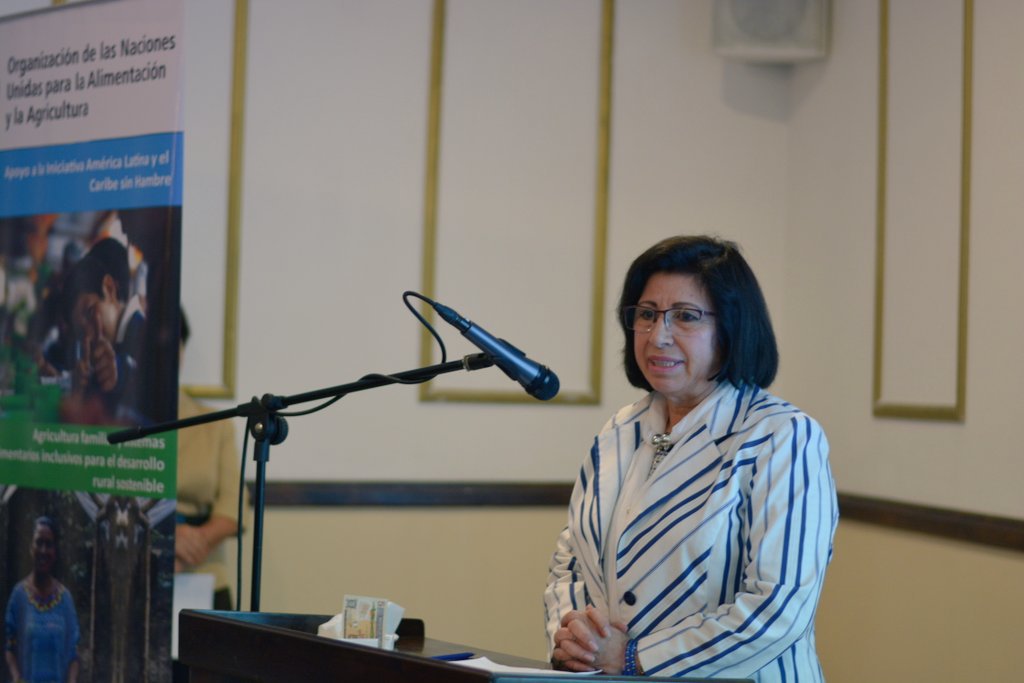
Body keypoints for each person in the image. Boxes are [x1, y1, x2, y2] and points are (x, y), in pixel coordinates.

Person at [544, 235, 837, 681]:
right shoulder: (619, 431)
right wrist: (575, 638)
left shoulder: (782, 435)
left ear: (733, 328)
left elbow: (778, 605)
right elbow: (569, 562)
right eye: (646, 315)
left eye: (685, 316)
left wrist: (635, 658)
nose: (658, 335)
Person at [174, 310, 247, 610]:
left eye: (173, 344)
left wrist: (192, 543)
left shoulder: (215, 423)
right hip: (137, 570)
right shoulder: (112, 424)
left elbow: (234, 507)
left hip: (203, 573)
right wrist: (164, 539)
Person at [59, 237, 148, 425]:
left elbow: (148, 383)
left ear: (109, 287)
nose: (89, 335)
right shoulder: (113, 344)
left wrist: (118, 374)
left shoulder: (142, 333)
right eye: (81, 331)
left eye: (90, 311)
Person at [4, 516, 81, 683]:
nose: (43, 550)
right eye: (39, 542)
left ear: (55, 551)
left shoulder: (65, 599)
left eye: (49, 544)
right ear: (31, 547)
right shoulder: (18, 596)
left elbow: (73, 654)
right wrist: (17, 677)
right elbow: (9, 648)